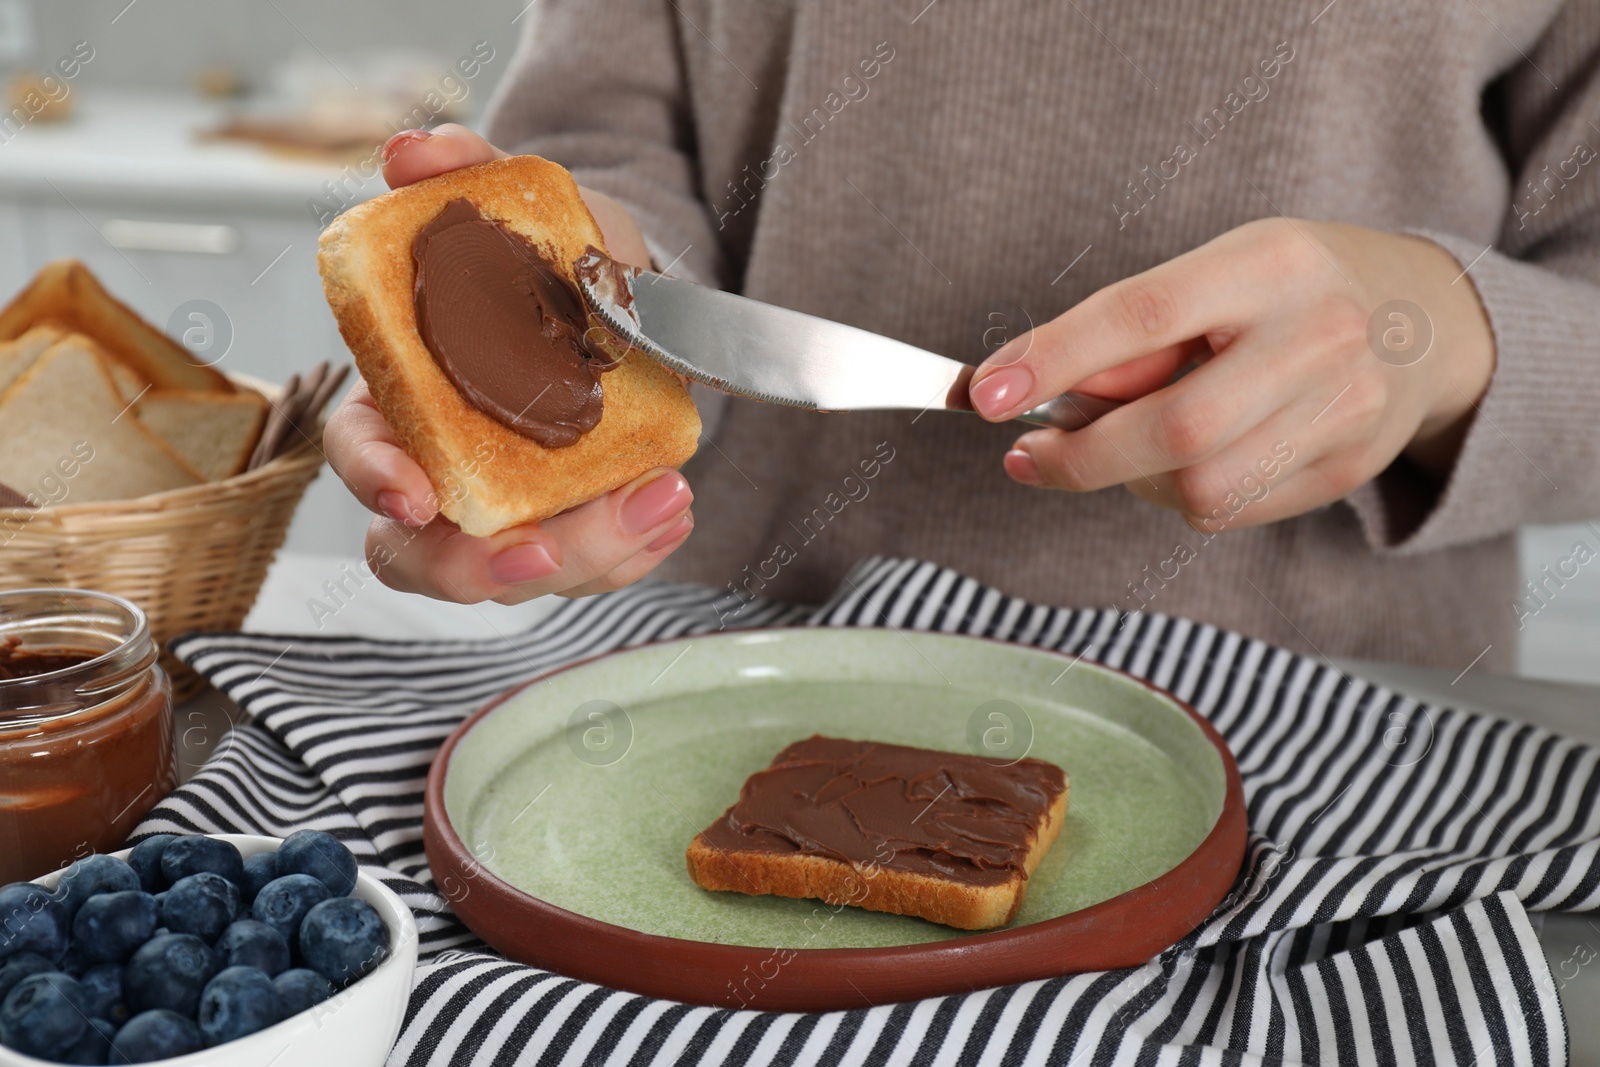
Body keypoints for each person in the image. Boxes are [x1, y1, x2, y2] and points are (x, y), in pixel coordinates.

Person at [324, 1, 1600, 670]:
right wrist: (561, 296)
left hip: (1334, 758)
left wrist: (1434, 332)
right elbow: (618, 150)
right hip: (716, 671)